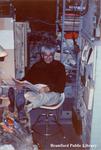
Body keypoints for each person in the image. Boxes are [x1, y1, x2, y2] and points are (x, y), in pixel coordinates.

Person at [8, 42, 67, 123]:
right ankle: (20, 105)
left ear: (53, 55)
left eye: (51, 55)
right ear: (42, 55)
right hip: (37, 92)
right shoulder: (37, 66)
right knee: (27, 95)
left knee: (44, 96)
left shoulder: (60, 66)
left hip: (54, 94)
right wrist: (20, 83)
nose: (48, 58)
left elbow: (61, 85)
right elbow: (28, 78)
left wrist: (49, 88)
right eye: (46, 55)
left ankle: (23, 109)